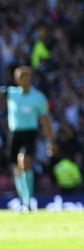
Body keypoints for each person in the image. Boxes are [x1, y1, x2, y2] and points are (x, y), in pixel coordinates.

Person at [3, 66, 55, 211]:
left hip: (30, 133)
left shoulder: (38, 97)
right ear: (17, 80)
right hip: (15, 134)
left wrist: (51, 140)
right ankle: (23, 200)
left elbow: (45, 120)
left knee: (24, 162)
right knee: (16, 168)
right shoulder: (11, 93)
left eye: (28, 77)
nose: (26, 80)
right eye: (22, 77)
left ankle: (28, 201)